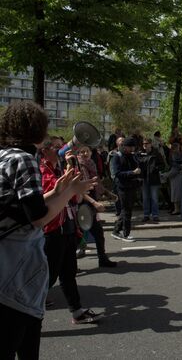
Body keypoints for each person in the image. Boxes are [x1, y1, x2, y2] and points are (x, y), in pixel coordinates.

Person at [0, 101, 96, 359]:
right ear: (38, 128)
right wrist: (71, 193)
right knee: (23, 337)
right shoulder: (24, 159)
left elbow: (21, 206)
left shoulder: (4, 156)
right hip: (16, 266)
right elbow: (38, 218)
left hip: (7, 259)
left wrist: (60, 190)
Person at [40, 138, 106, 326]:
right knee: (49, 275)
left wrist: (72, 168)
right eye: (56, 147)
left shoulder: (61, 167)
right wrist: (70, 169)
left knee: (68, 273)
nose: (62, 149)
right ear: (45, 151)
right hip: (52, 229)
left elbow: (75, 198)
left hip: (67, 226)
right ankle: (28, 314)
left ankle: (77, 312)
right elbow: (56, 191)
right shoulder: (43, 169)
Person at [75, 145, 117, 267]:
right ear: (77, 153)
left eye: (86, 151)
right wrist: (94, 202)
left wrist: (108, 193)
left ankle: (102, 259)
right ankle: (72, 265)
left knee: (98, 232)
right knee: (76, 235)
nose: (84, 154)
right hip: (80, 203)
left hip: (90, 203)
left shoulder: (91, 164)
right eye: (81, 152)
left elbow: (97, 183)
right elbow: (78, 190)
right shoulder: (77, 166)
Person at [110, 137, 142, 242]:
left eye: (133, 147)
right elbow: (117, 173)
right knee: (126, 211)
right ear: (124, 146)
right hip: (122, 187)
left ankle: (116, 231)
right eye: (130, 147)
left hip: (131, 186)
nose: (132, 149)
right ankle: (125, 234)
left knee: (127, 210)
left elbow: (137, 167)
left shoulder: (132, 156)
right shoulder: (116, 157)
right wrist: (132, 173)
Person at [139, 138, 165, 222]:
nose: (145, 145)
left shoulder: (156, 153)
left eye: (146, 143)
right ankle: (146, 215)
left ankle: (155, 215)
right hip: (144, 179)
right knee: (145, 198)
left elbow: (163, 165)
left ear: (150, 144)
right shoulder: (140, 154)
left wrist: (155, 168)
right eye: (143, 143)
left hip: (154, 179)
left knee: (154, 198)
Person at [167, 142, 182, 215]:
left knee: (175, 193)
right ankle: (177, 209)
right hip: (178, 175)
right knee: (177, 193)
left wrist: (165, 175)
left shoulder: (174, 155)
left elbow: (175, 166)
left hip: (175, 176)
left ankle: (176, 209)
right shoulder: (179, 154)